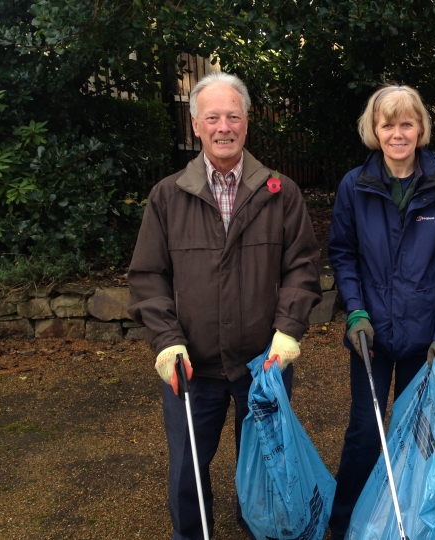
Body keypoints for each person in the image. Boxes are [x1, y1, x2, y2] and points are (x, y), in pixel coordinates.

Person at [127, 72, 322, 540]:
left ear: (247, 123)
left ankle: (263, 531)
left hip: (264, 362)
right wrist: (167, 341)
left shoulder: (282, 193)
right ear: (195, 125)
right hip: (191, 366)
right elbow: (148, 276)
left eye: (233, 116)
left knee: (269, 469)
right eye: (212, 117)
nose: (223, 127)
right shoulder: (167, 197)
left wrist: (288, 331)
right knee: (187, 470)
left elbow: (303, 267)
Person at [326, 84, 435, 538]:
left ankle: (408, 516)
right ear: (374, 130)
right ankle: (347, 520)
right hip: (368, 334)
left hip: (424, 340)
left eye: (406, 123)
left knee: (419, 439)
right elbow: (343, 253)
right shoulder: (355, 184)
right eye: (387, 124)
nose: (397, 133)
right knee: (365, 433)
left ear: (420, 128)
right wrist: (354, 311)